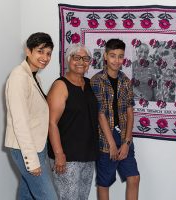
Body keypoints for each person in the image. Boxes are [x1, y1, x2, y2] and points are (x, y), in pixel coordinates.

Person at [5, 32, 57, 199]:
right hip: (25, 148)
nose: (45, 57)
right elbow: (20, 122)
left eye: (48, 53)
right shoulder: (19, 77)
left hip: (37, 146)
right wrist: (31, 160)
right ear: (28, 51)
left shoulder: (34, 78)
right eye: (40, 51)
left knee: (27, 195)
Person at [47, 44, 99, 200]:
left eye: (85, 58)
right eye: (76, 57)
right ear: (68, 60)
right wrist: (59, 154)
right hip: (66, 157)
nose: (81, 62)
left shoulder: (90, 84)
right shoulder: (60, 86)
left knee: (82, 197)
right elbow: (51, 123)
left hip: (88, 155)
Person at [90, 38, 140, 200]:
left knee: (134, 178)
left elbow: (130, 112)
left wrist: (126, 142)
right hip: (105, 139)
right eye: (112, 55)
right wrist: (112, 143)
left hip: (124, 136)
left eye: (120, 56)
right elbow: (100, 113)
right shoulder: (97, 81)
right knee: (105, 183)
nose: (116, 60)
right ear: (105, 56)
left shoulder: (125, 81)